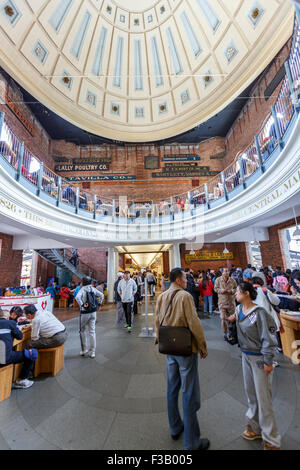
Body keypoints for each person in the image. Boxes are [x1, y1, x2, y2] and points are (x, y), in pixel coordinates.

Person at [155, 268, 209, 451]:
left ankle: (175, 426)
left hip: (169, 347)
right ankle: (192, 443)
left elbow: (157, 320)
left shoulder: (162, 296)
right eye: (185, 278)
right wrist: (202, 345)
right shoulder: (185, 296)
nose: (187, 280)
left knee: (171, 388)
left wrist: (159, 339)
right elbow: (194, 322)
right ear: (178, 279)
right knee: (189, 392)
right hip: (186, 349)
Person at [228, 282, 281, 450]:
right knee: (251, 394)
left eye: (237, 292)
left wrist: (268, 361)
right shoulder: (239, 310)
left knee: (264, 398)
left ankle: (271, 439)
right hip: (245, 356)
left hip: (259, 359)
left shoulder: (260, 313)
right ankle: (255, 427)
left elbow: (269, 338)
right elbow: (237, 321)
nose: (235, 294)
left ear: (246, 294)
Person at [0, 309, 36, 389]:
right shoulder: (10, 323)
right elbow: (20, 336)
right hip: (5, 358)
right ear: (8, 317)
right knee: (32, 353)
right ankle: (21, 380)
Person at [76, 277, 104, 358]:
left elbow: (77, 297)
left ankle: (84, 349)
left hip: (85, 313)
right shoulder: (93, 289)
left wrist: (82, 305)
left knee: (82, 330)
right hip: (93, 312)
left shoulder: (82, 289)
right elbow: (101, 295)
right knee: (92, 331)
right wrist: (99, 304)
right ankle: (93, 352)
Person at [214, 267, 237, 338]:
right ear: (222, 272)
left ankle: (232, 332)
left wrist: (232, 291)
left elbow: (236, 288)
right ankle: (225, 333)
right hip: (222, 302)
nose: (227, 272)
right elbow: (215, 289)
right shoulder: (218, 280)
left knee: (232, 318)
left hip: (231, 302)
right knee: (223, 318)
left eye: (228, 271)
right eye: (225, 271)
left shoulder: (232, 280)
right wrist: (222, 290)